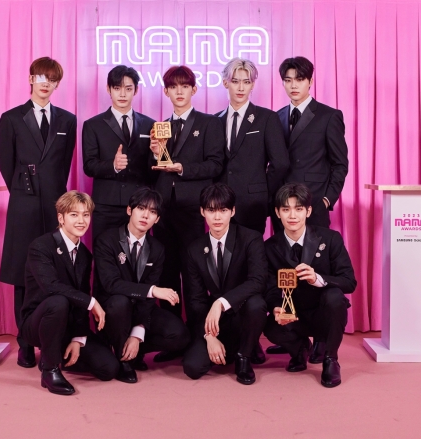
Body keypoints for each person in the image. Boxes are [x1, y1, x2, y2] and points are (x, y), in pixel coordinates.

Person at [0, 57, 77, 369]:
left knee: (54, 272)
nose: (46, 83)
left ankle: (53, 339)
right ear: (31, 79)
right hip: (24, 206)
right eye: (41, 77)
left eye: (52, 79)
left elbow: (64, 166)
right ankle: (26, 343)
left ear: (57, 84)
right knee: (23, 274)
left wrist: (52, 194)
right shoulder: (11, 119)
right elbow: (7, 166)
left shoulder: (67, 120)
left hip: (56, 207)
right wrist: (25, 192)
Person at [149, 66, 225, 361]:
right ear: (166, 91)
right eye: (173, 87)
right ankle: (173, 340)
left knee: (194, 274)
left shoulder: (209, 123)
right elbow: (153, 170)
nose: (179, 91)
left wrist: (183, 168)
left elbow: (215, 164)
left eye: (184, 86)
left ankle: (198, 336)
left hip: (193, 210)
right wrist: (155, 153)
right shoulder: (160, 126)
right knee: (166, 272)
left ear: (194, 89)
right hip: (163, 211)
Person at [21, 191, 119, 395]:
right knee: (58, 301)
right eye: (74, 214)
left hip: (67, 326)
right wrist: (92, 302)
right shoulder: (41, 246)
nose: (81, 221)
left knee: (108, 368)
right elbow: (51, 286)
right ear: (61, 218)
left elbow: (81, 296)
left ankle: (54, 355)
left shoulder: (85, 255)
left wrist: (78, 338)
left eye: (86, 215)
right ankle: (50, 370)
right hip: (37, 323)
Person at [263, 183, 356, 388]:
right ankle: (300, 349)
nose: (292, 215)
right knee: (269, 326)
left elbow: (349, 282)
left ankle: (331, 359)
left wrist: (318, 279)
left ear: (308, 211)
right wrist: (276, 307)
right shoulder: (269, 247)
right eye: (286, 209)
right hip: (294, 315)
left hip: (324, 312)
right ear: (277, 213)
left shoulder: (330, 239)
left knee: (334, 297)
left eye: (298, 209)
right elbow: (270, 288)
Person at [93, 188, 190, 383]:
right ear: (129, 210)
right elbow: (111, 284)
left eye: (152, 212)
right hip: (113, 310)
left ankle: (134, 351)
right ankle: (123, 359)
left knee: (179, 335)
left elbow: (148, 298)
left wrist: (138, 333)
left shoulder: (157, 248)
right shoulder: (107, 240)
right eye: (141, 208)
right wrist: (152, 290)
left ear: (157, 219)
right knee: (120, 302)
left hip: (140, 310)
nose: (146, 215)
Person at [182, 183, 268, 385]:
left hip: (243, 314)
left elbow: (258, 280)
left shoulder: (251, 239)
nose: (217, 217)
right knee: (192, 367)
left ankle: (244, 355)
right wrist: (208, 336)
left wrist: (221, 302)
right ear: (202, 212)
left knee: (256, 303)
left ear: (233, 211)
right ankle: (234, 347)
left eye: (223, 210)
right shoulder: (194, 249)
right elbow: (196, 300)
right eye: (211, 210)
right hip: (214, 323)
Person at [82, 65, 157, 241]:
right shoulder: (93, 125)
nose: (122, 94)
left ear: (136, 90)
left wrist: (155, 155)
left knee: (138, 253)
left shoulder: (150, 124)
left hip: (139, 205)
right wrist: (113, 166)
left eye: (128, 89)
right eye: (117, 88)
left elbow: (153, 172)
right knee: (103, 251)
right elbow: (89, 165)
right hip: (106, 204)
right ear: (108, 89)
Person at [216, 58, 289, 235]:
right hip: (220, 205)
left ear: (253, 85)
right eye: (235, 81)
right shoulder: (215, 120)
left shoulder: (267, 118)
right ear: (225, 83)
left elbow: (280, 163)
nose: (241, 88)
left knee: (252, 249)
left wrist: (262, 191)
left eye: (246, 82)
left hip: (253, 204)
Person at [275, 56, 348, 230]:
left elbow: (339, 164)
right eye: (288, 80)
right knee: (281, 248)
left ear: (310, 81)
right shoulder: (277, 117)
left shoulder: (329, 116)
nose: (293, 85)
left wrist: (327, 200)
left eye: (299, 79)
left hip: (313, 202)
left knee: (315, 247)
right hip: (283, 204)